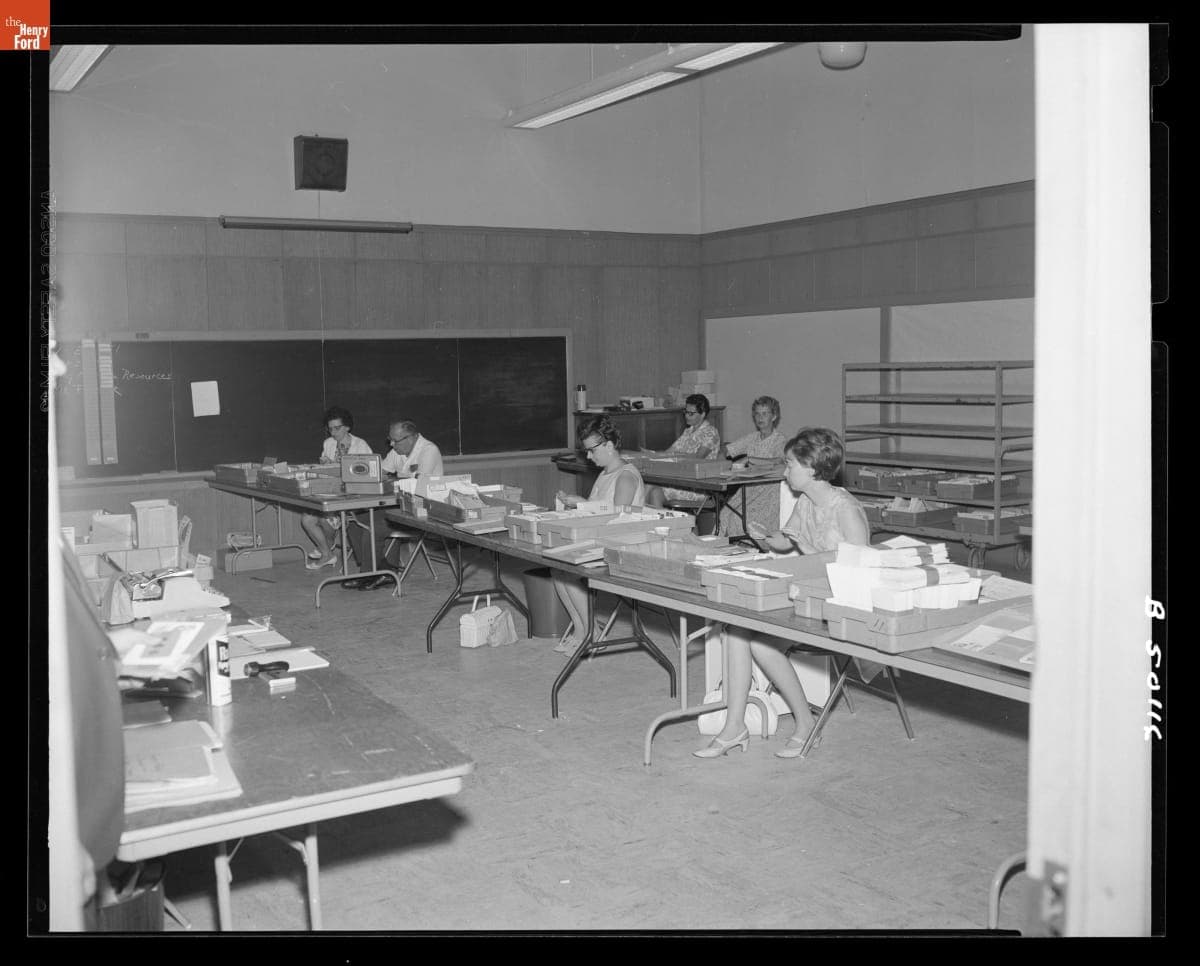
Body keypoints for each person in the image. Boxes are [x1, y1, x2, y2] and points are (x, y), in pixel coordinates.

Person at [695, 427, 870, 759]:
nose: (785, 471)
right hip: (811, 595)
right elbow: (785, 540)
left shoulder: (844, 509)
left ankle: (804, 724)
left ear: (811, 466)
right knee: (735, 628)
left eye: (790, 465)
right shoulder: (806, 502)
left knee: (756, 640)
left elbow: (860, 570)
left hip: (842, 603)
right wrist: (763, 537)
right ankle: (735, 727)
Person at [551, 415, 644, 654]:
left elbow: (616, 522)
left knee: (570, 569)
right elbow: (599, 512)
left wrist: (582, 505)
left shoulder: (625, 476)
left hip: (621, 547)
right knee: (556, 566)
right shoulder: (605, 474)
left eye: (592, 451)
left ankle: (589, 631)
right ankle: (583, 627)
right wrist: (577, 505)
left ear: (609, 445)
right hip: (602, 541)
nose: (589, 457)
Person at [346, 419, 445, 590]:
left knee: (376, 526)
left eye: (395, 440)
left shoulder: (429, 451)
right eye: (390, 439)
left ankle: (370, 574)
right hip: (400, 506)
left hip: (422, 510)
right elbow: (380, 473)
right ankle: (382, 571)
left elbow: (417, 485)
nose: (391, 444)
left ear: (411, 438)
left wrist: (394, 480)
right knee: (355, 520)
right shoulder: (397, 451)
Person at [301, 406, 372, 570]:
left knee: (322, 519)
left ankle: (326, 549)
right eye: (330, 429)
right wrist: (324, 465)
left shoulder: (360, 445)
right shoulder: (328, 443)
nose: (333, 433)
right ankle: (328, 552)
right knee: (307, 518)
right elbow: (324, 470)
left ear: (347, 427)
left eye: (337, 428)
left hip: (353, 497)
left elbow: (368, 475)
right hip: (330, 493)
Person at [719, 395, 788, 537]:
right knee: (725, 513)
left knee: (738, 520)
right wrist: (719, 464)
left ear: (774, 416)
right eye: (757, 414)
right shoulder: (752, 438)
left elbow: (779, 461)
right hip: (749, 488)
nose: (760, 418)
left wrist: (749, 458)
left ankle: (746, 550)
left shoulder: (779, 440)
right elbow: (726, 450)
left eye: (765, 414)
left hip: (769, 491)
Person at [643, 394, 721, 511]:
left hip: (698, 485)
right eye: (685, 411)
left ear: (703, 414)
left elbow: (697, 459)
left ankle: (662, 525)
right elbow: (670, 452)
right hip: (681, 480)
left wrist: (676, 457)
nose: (686, 416)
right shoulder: (688, 432)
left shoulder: (711, 433)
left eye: (691, 413)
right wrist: (652, 454)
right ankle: (651, 523)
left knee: (655, 492)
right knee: (647, 485)